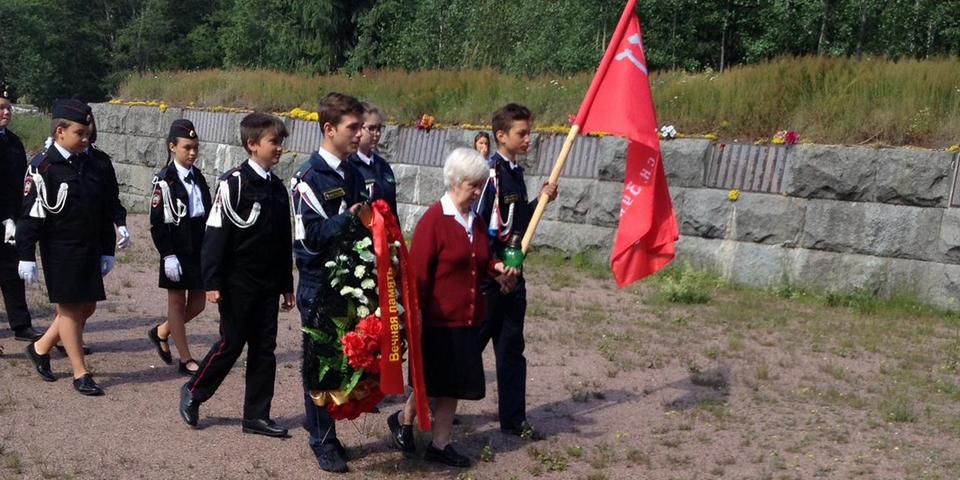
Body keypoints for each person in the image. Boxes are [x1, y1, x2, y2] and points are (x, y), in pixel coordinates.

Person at [389, 147, 516, 468]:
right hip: (437, 321)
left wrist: (499, 270)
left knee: (453, 386)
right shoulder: (435, 220)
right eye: (473, 185)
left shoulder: (476, 219)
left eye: (481, 185)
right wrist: (412, 316)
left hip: (468, 317)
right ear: (456, 182)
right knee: (430, 383)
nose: (478, 192)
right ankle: (404, 420)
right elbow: (416, 275)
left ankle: (441, 444)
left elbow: (483, 259)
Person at [178, 113, 294, 437]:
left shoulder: (277, 189)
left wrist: (287, 285)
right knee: (232, 342)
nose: (279, 148)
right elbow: (215, 234)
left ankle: (256, 415)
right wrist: (211, 281)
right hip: (237, 281)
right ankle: (194, 391)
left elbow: (282, 241)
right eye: (274, 142)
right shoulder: (234, 183)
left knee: (264, 348)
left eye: (281, 142)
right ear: (252, 144)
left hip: (268, 283)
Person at [18, 99, 117, 396]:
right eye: (80, 134)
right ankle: (80, 372)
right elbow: (31, 214)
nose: (86, 139)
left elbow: (101, 209)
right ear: (60, 132)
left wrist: (107, 248)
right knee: (71, 309)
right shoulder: (43, 166)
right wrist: (26, 255)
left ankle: (40, 347)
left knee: (87, 306)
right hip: (60, 248)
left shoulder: (89, 162)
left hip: (88, 245)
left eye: (88, 134)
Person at [292, 92, 369, 474]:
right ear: (329, 129)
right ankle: (320, 440)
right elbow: (307, 239)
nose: (359, 134)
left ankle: (330, 432)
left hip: (349, 282)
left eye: (360, 127)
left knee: (342, 361)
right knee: (319, 364)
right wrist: (349, 219)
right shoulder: (308, 178)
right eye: (352, 128)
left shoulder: (353, 173)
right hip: (318, 282)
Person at [476, 103, 558, 438]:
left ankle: (514, 419)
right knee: (466, 349)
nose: (528, 139)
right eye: (522, 133)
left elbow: (518, 222)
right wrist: (495, 272)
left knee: (511, 349)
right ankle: (426, 410)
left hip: (514, 275)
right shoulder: (489, 176)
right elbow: (479, 228)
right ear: (501, 136)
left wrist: (541, 201)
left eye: (529, 132)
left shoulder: (516, 173)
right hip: (489, 279)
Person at [147, 120, 211, 375]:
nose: (193, 153)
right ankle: (185, 359)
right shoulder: (165, 181)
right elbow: (157, 223)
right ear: (172, 147)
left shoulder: (198, 176)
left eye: (195, 148)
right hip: (175, 247)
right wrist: (168, 254)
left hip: (198, 246)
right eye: (187, 148)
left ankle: (162, 331)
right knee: (176, 304)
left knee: (198, 303)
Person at [0, 90, 41, 342]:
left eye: (8, 108)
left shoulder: (13, 141)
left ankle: (20, 324)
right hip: (3, 218)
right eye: (1, 108)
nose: (6, 112)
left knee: (13, 272)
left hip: (13, 219)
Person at [347, 102, 397, 217]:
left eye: (379, 128)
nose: (377, 133)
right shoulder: (349, 165)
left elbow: (392, 209)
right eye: (371, 128)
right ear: (358, 128)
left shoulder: (383, 165)